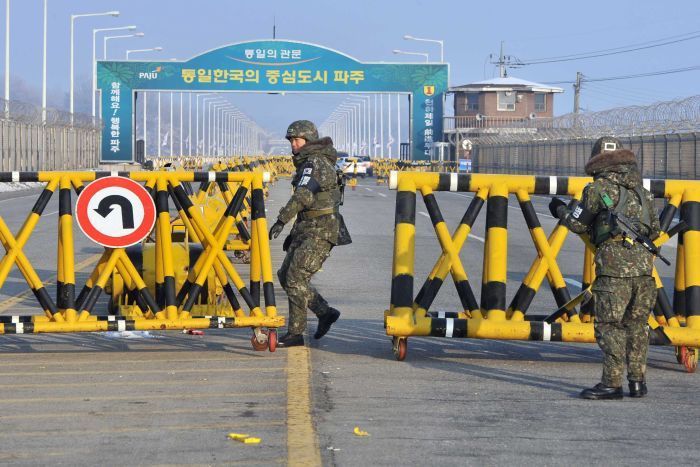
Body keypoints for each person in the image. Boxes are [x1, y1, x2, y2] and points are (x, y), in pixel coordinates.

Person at [549, 136, 660, 400]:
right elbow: (655, 229)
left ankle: (612, 384)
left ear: (596, 160)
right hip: (644, 270)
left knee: (609, 326)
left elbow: (577, 224)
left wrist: (560, 210)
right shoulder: (642, 192)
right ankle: (637, 381)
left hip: (613, 271)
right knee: (637, 326)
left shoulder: (597, 189)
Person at [268, 120, 350, 348]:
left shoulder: (315, 164)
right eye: (292, 140)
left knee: (295, 278)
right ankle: (325, 312)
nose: (294, 144)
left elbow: (303, 196)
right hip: (307, 227)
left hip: (321, 229)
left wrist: (281, 221)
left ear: (309, 141)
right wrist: (294, 231)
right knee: (285, 276)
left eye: (298, 140)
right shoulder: (310, 162)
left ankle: (295, 333)